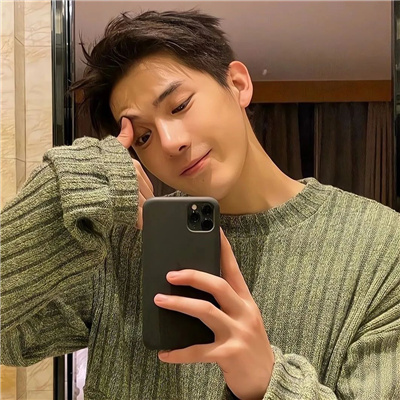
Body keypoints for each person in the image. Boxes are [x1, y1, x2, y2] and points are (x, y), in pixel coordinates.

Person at [1, 9, 399, 400]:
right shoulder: (121, 242)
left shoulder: (382, 248)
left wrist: (269, 382)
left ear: (238, 84)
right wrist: (65, 187)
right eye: (143, 137)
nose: (171, 142)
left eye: (179, 106)